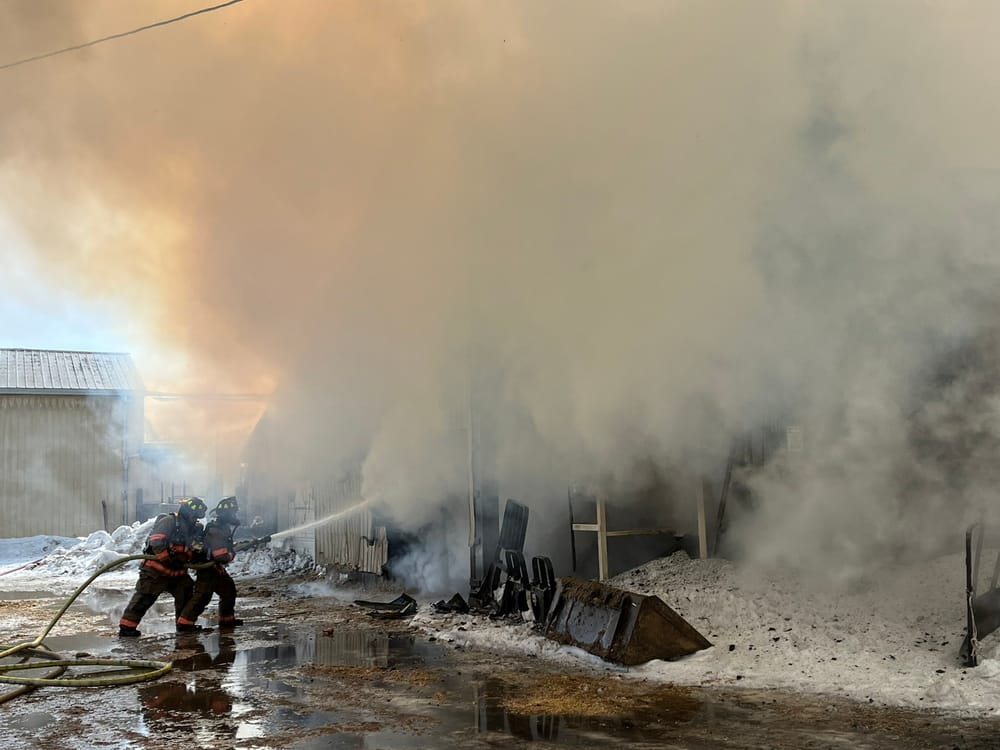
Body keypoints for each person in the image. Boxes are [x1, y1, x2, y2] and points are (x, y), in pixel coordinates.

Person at [119, 496, 207, 637]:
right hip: (156, 570)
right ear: (187, 512)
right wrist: (168, 559)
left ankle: (184, 625)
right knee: (144, 598)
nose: (195, 519)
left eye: (197, 517)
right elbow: (156, 541)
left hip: (177, 573)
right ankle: (127, 628)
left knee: (187, 594)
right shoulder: (169, 521)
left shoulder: (195, 528)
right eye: (193, 516)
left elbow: (195, 547)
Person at [177, 496, 244, 631]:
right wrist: (232, 553)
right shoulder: (216, 530)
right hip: (208, 569)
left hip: (214, 568)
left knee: (228, 590)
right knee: (202, 596)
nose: (235, 516)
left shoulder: (222, 528)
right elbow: (220, 556)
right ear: (227, 514)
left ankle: (227, 620)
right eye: (233, 513)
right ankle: (184, 623)